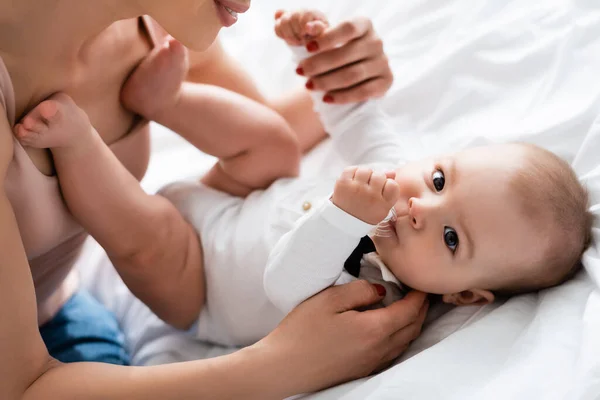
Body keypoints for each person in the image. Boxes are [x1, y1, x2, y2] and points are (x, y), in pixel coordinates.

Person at [13, 9, 593, 350]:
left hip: (196, 279)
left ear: (465, 294)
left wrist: (343, 218)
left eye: (450, 238)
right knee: (274, 143)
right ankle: (163, 101)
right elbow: (357, 118)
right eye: (441, 180)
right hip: (236, 196)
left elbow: (284, 282)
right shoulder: (398, 179)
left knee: (150, 237)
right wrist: (313, 48)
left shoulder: (376, 298)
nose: (421, 205)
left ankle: (76, 142)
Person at [0, 1, 428, 398]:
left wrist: (347, 84)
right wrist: (289, 361)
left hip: (65, 316)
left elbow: (267, 136)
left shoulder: (147, 23)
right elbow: (22, 386)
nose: (246, 3)